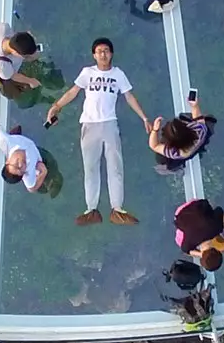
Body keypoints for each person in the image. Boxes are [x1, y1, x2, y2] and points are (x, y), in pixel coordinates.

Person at [46, 36, 148, 226]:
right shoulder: (87, 73)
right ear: (94, 55)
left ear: (111, 54)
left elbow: (129, 97)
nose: (103, 54)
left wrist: (144, 117)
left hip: (109, 123)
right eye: (99, 51)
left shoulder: (118, 74)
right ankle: (91, 209)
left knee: (115, 166)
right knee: (90, 168)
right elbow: (73, 92)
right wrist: (56, 106)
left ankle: (117, 209)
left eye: (106, 50)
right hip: (89, 124)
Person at [148, 94, 214, 175]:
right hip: (196, 146)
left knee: (160, 159)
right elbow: (199, 119)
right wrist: (194, 106)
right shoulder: (200, 132)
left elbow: (154, 146)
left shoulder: (173, 153)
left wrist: (155, 130)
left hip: (182, 156)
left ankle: (171, 169)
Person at [174, 197, 224, 271]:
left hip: (194, 205)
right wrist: (201, 254)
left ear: (217, 250)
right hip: (179, 215)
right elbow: (186, 250)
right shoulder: (189, 244)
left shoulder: (217, 228)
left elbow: (219, 210)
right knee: (181, 238)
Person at [0, 22, 41, 95]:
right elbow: (13, 76)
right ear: (15, 53)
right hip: (7, 74)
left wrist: (26, 39)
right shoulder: (0, 66)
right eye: (24, 56)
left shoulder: (2, 28)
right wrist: (31, 81)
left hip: (8, 66)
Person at [0, 121, 49, 194]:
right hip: (39, 154)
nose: (20, 165)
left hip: (21, 139)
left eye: (16, 165)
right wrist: (43, 173)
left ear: (7, 161)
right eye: (21, 170)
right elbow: (31, 189)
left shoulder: (5, 140)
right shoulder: (29, 171)